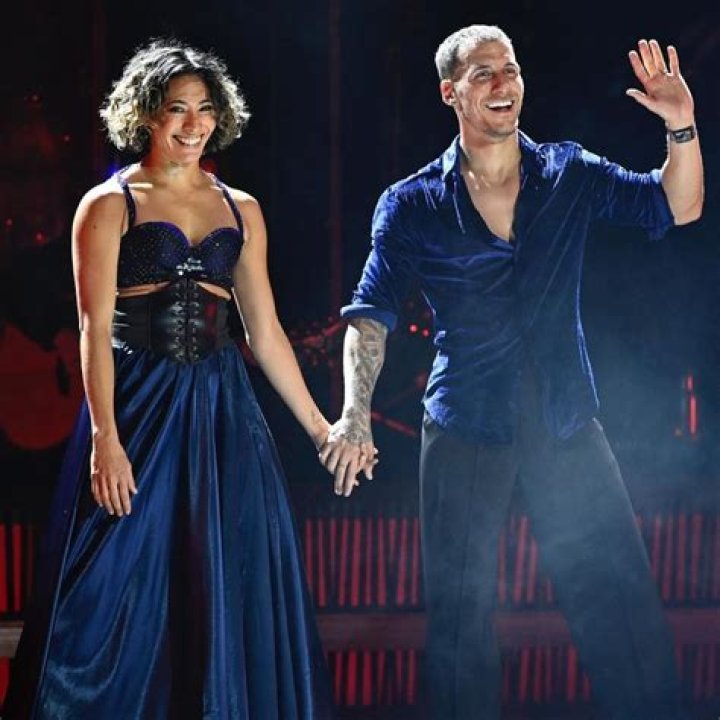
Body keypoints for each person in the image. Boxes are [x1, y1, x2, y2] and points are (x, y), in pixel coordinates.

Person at [319, 24, 703, 720]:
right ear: (451, 93)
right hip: (465, 422)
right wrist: (353, 413)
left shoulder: (569, 172)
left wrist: (681, 126)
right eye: (484, 74)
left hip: (565, 417)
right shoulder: (411, 203)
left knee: (619, 600)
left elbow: (678, 205)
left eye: (512, 69)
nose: (504, 84)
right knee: (461, 620)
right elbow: (370, 314)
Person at [4, 39, 335, 719]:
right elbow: (94, 327)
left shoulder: (241, 208)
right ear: (147, 113)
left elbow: (265, 333)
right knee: (108, 590)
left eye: (205, 109)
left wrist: (320, 428)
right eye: (177, 108)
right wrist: (106, 437)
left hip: (222, 413)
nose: (193, 124)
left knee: (221, 585)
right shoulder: (109, 203)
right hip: (137, 408)